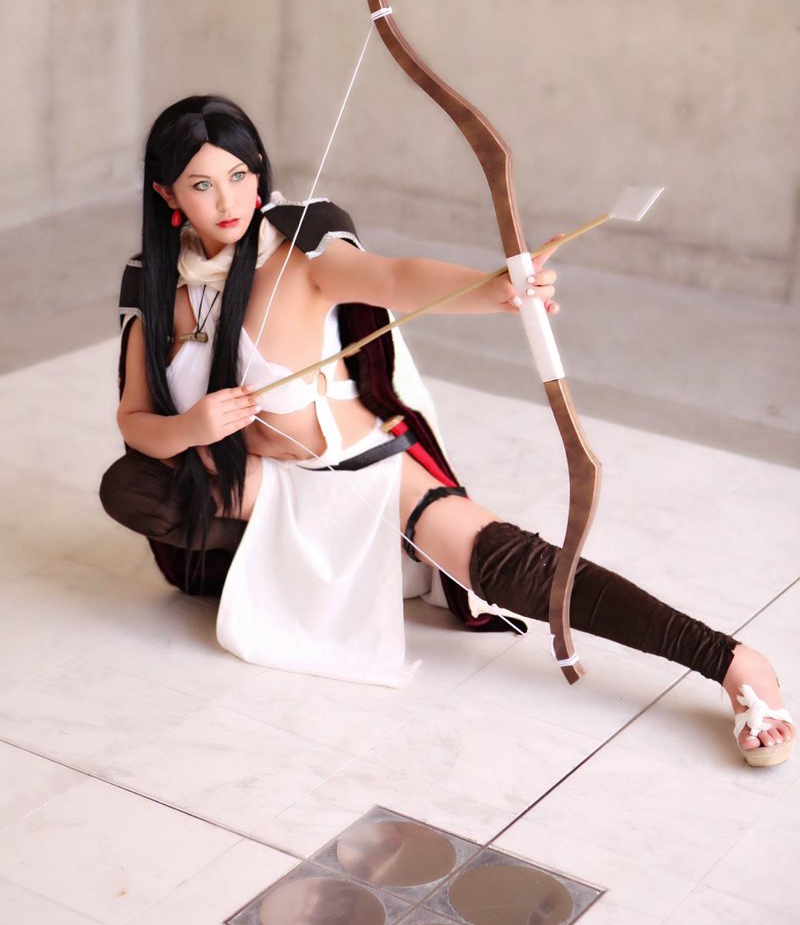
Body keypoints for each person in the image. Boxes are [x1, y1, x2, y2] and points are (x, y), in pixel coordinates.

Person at [101, 95, 794, 767]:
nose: (227, 200)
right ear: (168, 194)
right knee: (131, 487)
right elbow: (136, 422)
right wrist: (190, 427)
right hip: (264, 484)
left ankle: (731, 661)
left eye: (239, 175)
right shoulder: (156, 283)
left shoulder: (300, 251)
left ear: (258, 173)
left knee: (510, 567)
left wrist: (495, 289)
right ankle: (288, 566)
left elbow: (395, 278)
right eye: (202, 184)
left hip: (363, 471)